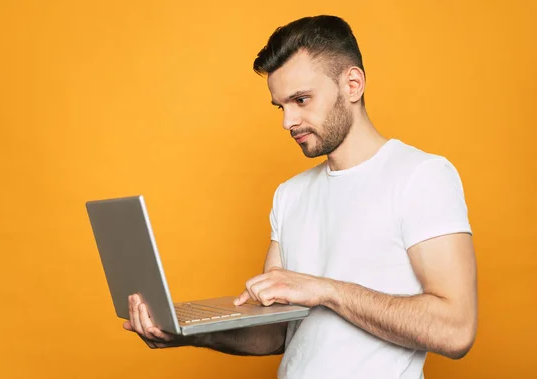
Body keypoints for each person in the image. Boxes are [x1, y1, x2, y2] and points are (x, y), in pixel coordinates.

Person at [123, 15, 478, 379]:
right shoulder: (289, 195)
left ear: (352, 84)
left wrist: (324, 291)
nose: (287, 121)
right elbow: (276, 331)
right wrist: (187, 334)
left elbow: (456, 329)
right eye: (281, 106)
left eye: (301, 99)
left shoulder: (422, 176)